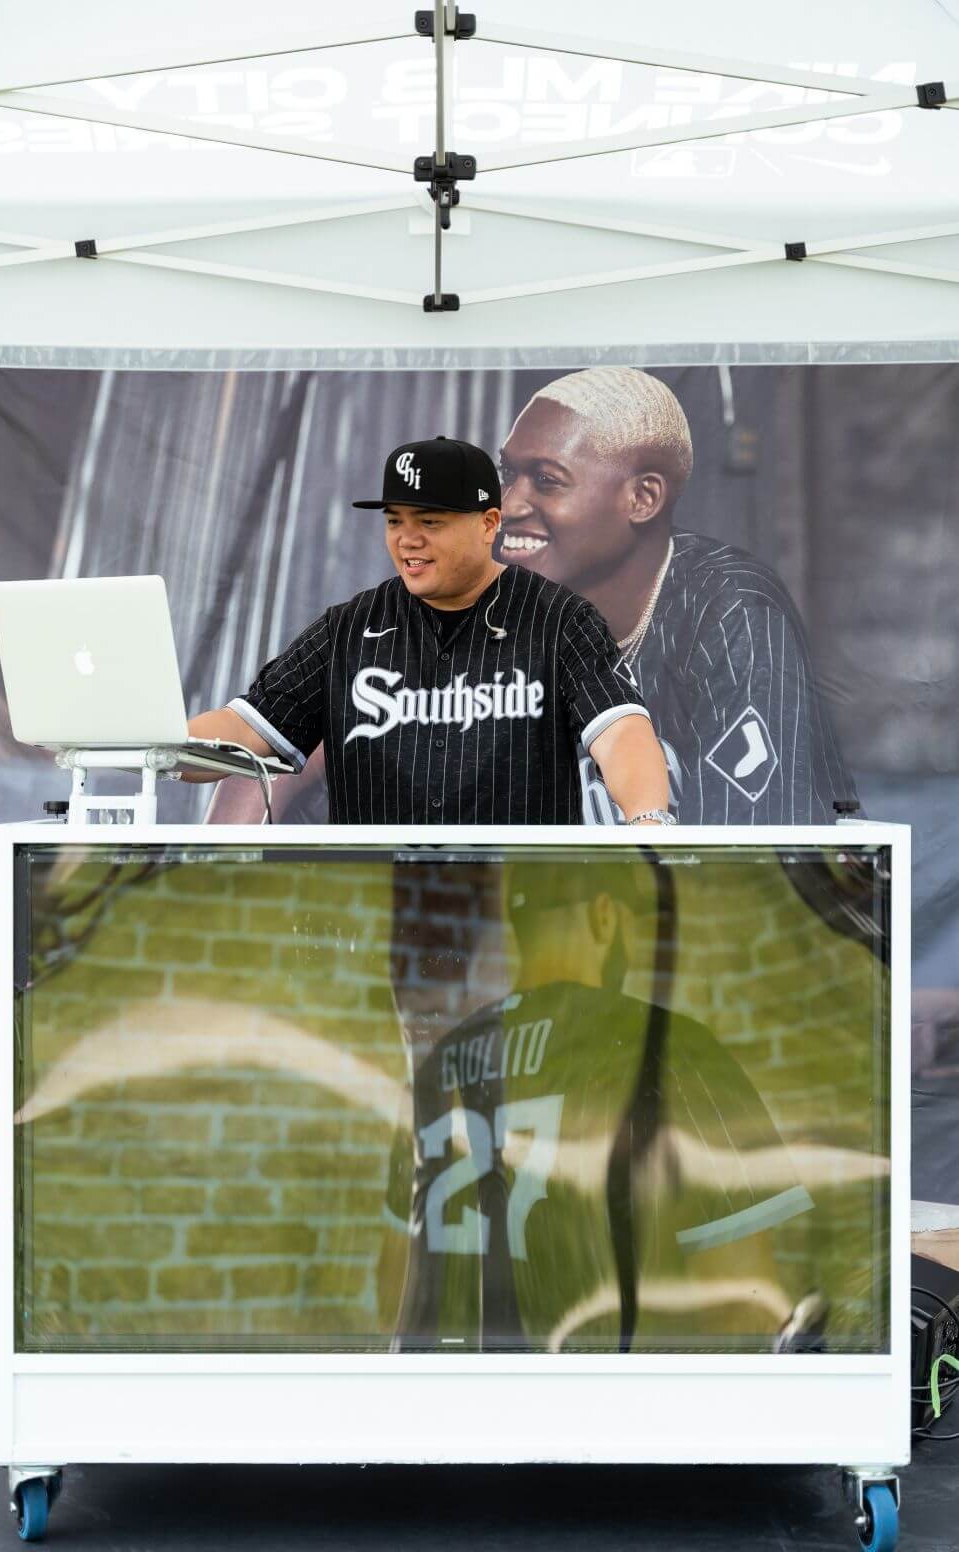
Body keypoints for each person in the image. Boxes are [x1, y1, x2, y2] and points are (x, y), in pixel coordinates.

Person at [380, 856, 820, 1354]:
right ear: (605, 915)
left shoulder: (438, 1065)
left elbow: (392, 1283)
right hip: (588, 1412)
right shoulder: (670, 1048)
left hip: (432, 1408)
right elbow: (743, 1307)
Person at [185, 435, 673, 826]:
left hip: (515, 919)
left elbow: (621, 732)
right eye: (394, 520)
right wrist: (144, 740)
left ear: (489, 524)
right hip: (377, 919)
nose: (406, 539)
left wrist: (650, 824)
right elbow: (245, 730)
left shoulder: (560, 620)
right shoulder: (347, 629)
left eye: (430, 521)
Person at [497, 367, 859, 824]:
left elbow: (745, 861)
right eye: (508, 473)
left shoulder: (734, 609)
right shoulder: (501, 604)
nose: (508, 504)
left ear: (642, 498)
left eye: (547, 480)